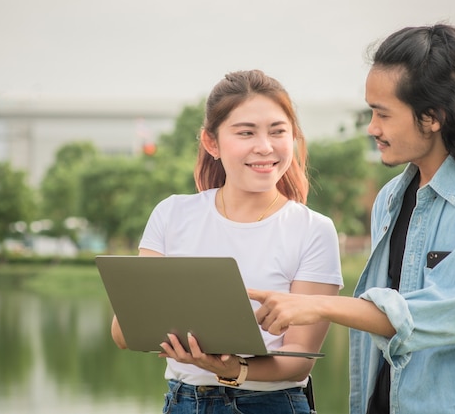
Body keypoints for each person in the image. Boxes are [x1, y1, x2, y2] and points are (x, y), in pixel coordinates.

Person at [249, 24, 455, 414]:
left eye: (382, 114)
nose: (372, 128)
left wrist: (317, 306)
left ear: (432, 117)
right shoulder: (389, 198)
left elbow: (446, 313)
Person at [110, 69, 343, 414]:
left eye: (278, 132)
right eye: (246, 132)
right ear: (211, 143)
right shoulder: (172, 214)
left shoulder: (313, 230)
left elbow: (299, 360)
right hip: (182, 401)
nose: (264, 147)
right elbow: (124, 333)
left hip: (272, 404)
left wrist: (235, 369)